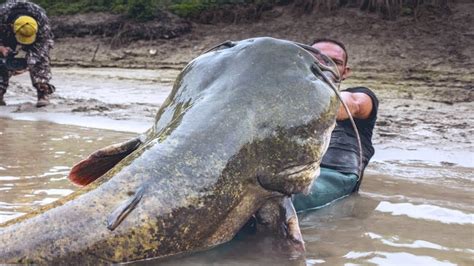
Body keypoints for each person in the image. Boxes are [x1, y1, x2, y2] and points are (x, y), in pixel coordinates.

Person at [293, 38, 379, 211]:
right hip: (286, 174)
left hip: (334, 175)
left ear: (345, 72)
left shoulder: (362, 96)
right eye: (316, 59)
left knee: (274, 202)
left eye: (334, 62)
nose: (323, 65)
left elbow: (352, 104)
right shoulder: (284, 99)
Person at [0, 0, 55, 107]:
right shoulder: (2, 15)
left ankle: (43, 92)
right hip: (5, 35)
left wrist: (27, 65)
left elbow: (44, 44)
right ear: (12, 26)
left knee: (41, 59)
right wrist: (1, 48)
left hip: (37, 39)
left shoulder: (41, 19)